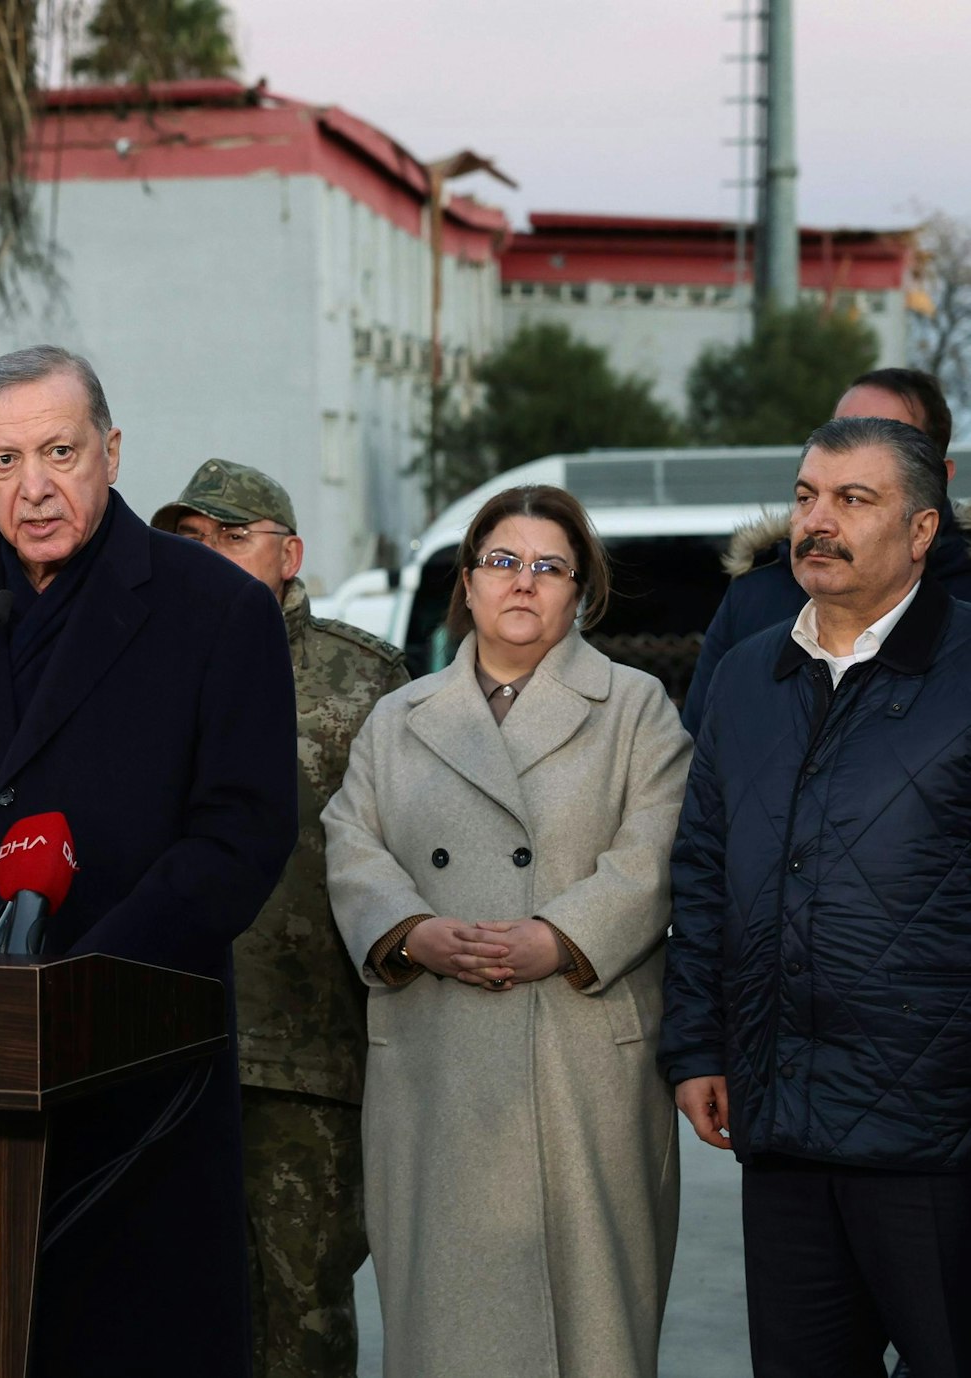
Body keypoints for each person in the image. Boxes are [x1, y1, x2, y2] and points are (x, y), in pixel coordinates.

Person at [0, 346, 298, 1377]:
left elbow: (239, 835)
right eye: (2, 460)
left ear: (111, 449)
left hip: (135, 1074)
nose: (32, 487)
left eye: (58, 451)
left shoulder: (216, 609)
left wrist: (74, 989)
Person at [323, 484, 690, 1378]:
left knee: (592, 1326)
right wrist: (411, 931)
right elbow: (350, 843)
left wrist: (561, 938)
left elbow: (658, 851)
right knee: (450, 1328)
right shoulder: (397, 720)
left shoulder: (637, 710)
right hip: (437, 1057)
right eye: (502, 562)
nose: (522, 584)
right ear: (468, 581)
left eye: (548, 567)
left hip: (580, 1060)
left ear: (580, 591)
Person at [664, 416, 971, 1377]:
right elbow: (702, 873)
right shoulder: (752, 676)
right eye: (805, 497)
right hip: (784, 1124)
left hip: (936, 1138)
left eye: (853, 499)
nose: (817, 521)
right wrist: (697, 1045)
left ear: (923, 531)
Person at [151, 459, 406, 1378]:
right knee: (173, 1312)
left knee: (300, 1313)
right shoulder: (138, 666)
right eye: (187, 540)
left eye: (231, 536)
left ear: (290, 554)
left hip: (308, 1052)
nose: (207, 556)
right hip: (164, 1042)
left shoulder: (363, 681)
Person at [682, 367, 967, 733]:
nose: (854, 445)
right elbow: (701, 757)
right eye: (842, 430)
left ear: (938, 477)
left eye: (888, 434)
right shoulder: (753, 600)